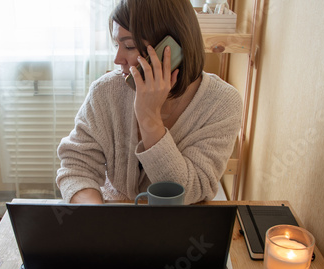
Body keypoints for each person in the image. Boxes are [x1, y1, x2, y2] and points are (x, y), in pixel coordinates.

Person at [56, 0, 242, 204]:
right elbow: (76, 167)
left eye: (129, 46)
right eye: (117, 45)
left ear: (170, 48)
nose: (118, 59)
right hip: (114, 217)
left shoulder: (222, 103)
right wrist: (97, 218)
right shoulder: (105, 91)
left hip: (179, 225)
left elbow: (191, 191)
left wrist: (149, 118)